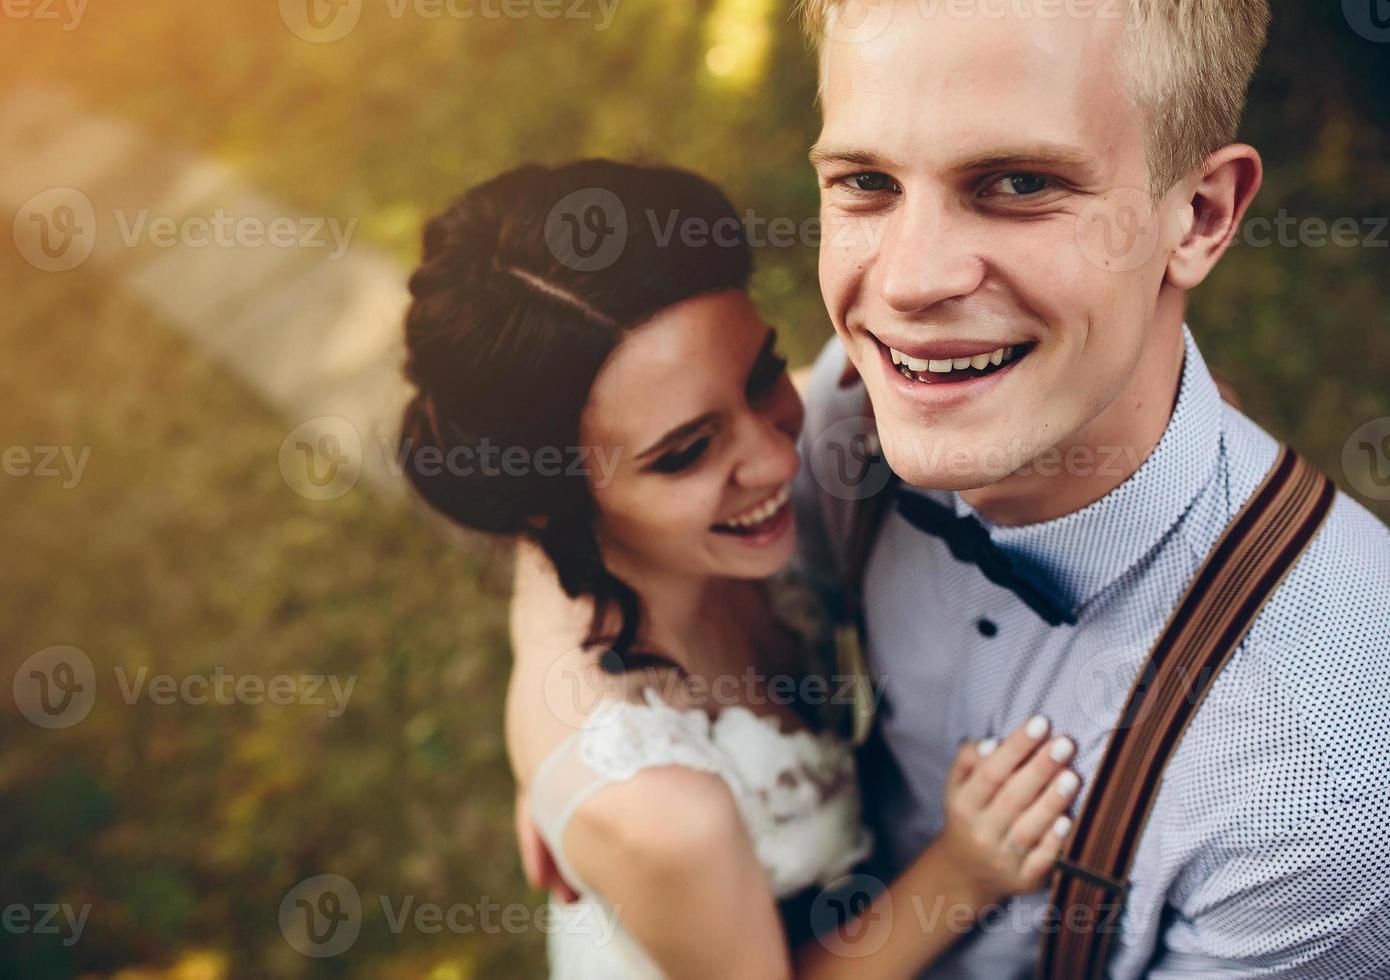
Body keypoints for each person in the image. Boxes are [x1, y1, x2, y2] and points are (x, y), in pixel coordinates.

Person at [519, 1, 1390, 975]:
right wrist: (575, 753)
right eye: (865, 181)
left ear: (1199, 215)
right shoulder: (857, 421)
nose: (909, 282)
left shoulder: (1329, 775)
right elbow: (601, 513)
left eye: (1019, 182)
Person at [399, 159, 1086, 978]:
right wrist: (963, 872)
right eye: (687, 452)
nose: (773, 456)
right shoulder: (659, 811)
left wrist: (1108, 402)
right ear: (553, 504)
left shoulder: (599, 542)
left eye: (761, 375)